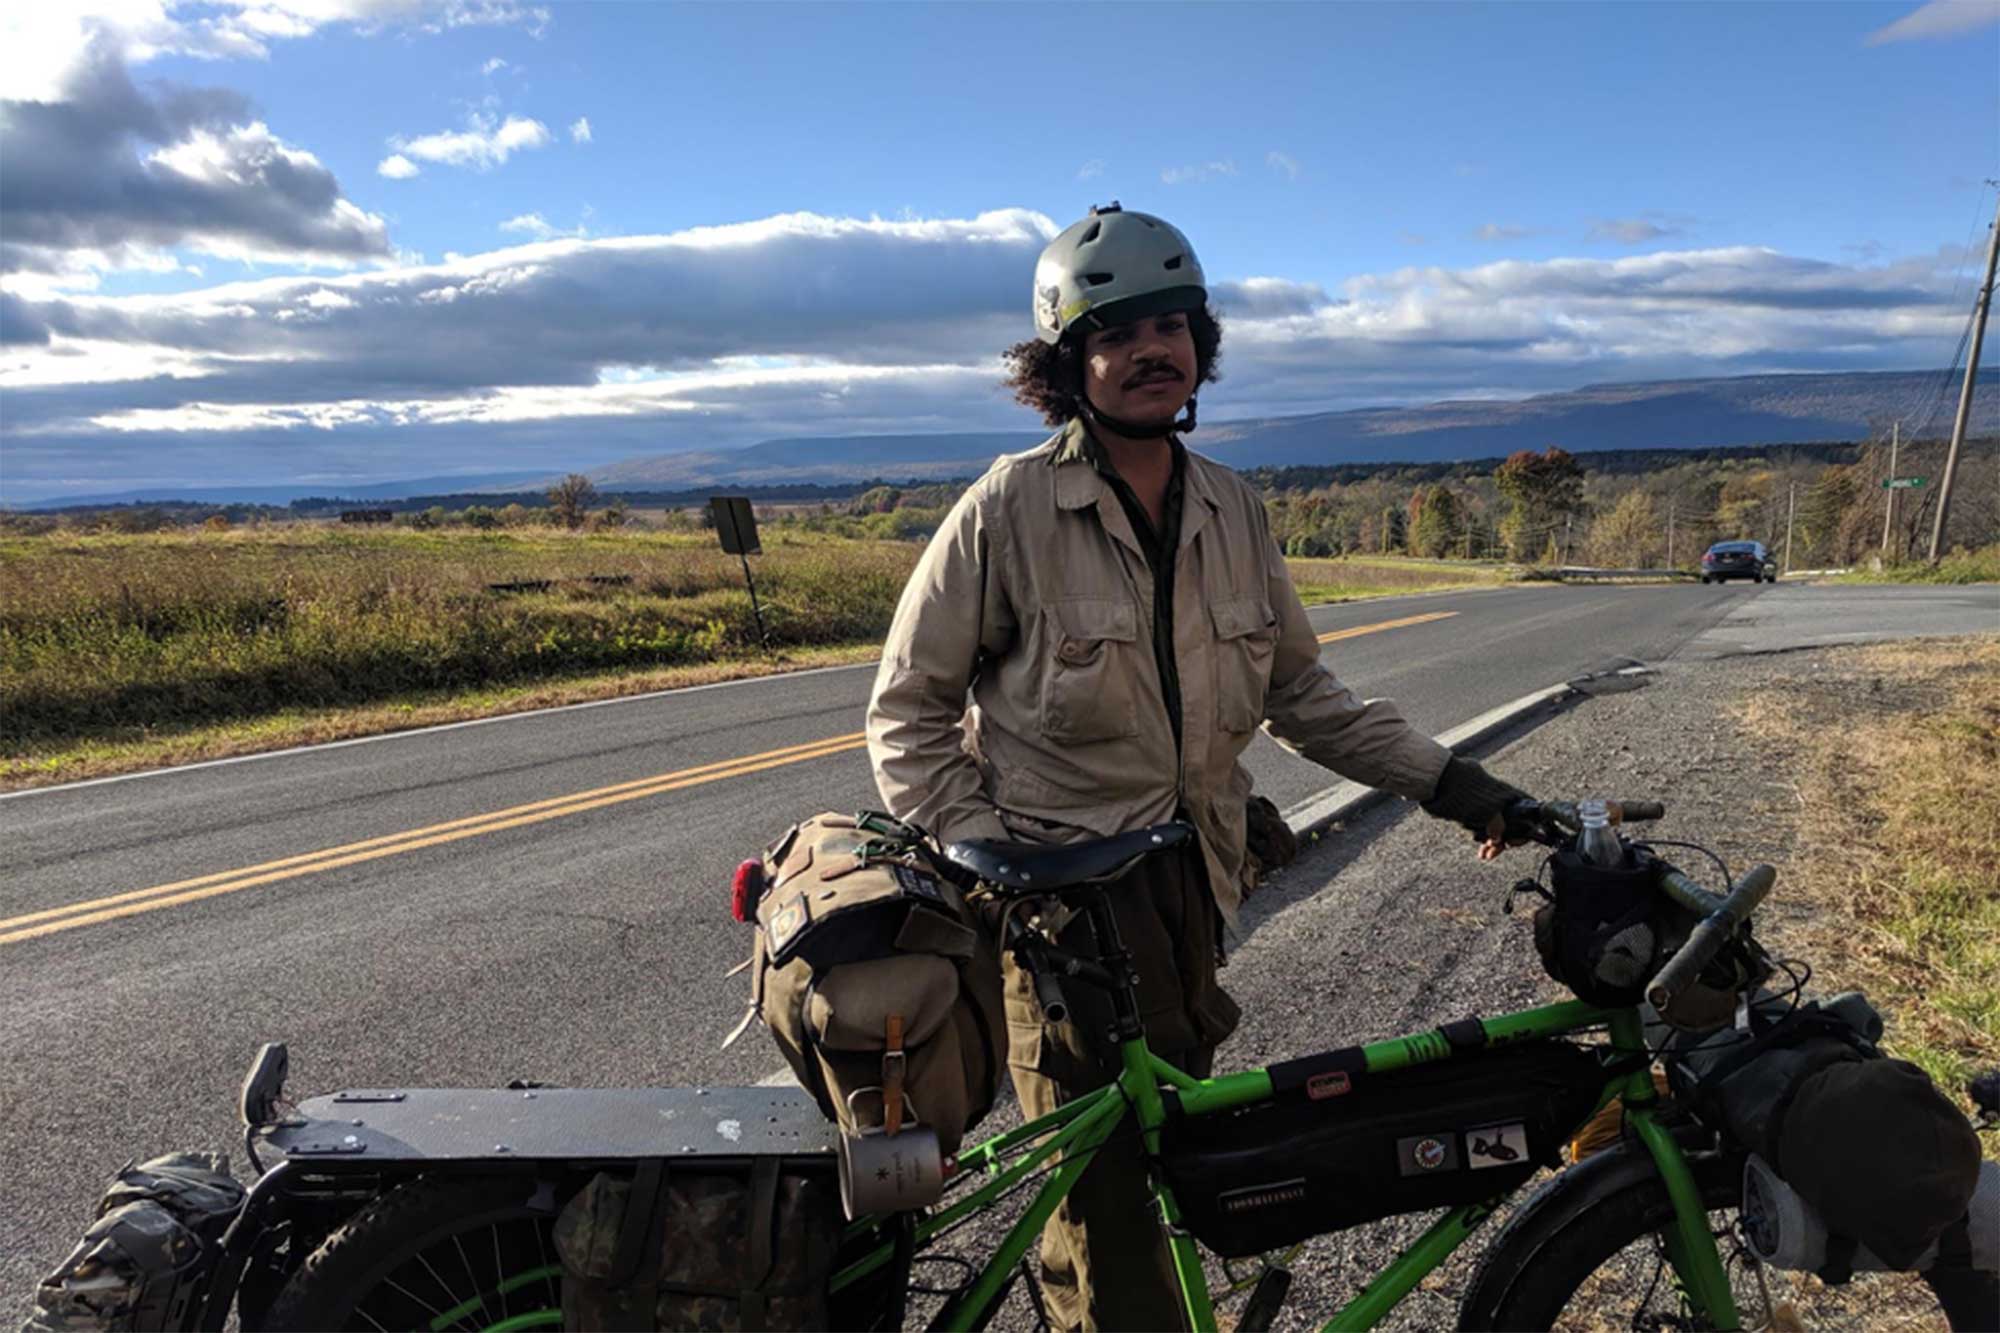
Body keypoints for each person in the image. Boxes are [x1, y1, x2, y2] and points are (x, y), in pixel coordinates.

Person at [865, 203, 1528, 1332]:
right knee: (1104, 1212)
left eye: (1171, 325)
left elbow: (1303, 696)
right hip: (1063, 923)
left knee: (1182, 1167)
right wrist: (988, 856)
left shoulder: (1233, 507)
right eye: (1114, 332)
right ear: (1067, 362)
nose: (1148, 350)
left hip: (1189, 903)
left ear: (1200, 348)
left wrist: (1452, 781)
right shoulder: (1009, 508)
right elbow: (907, 712)